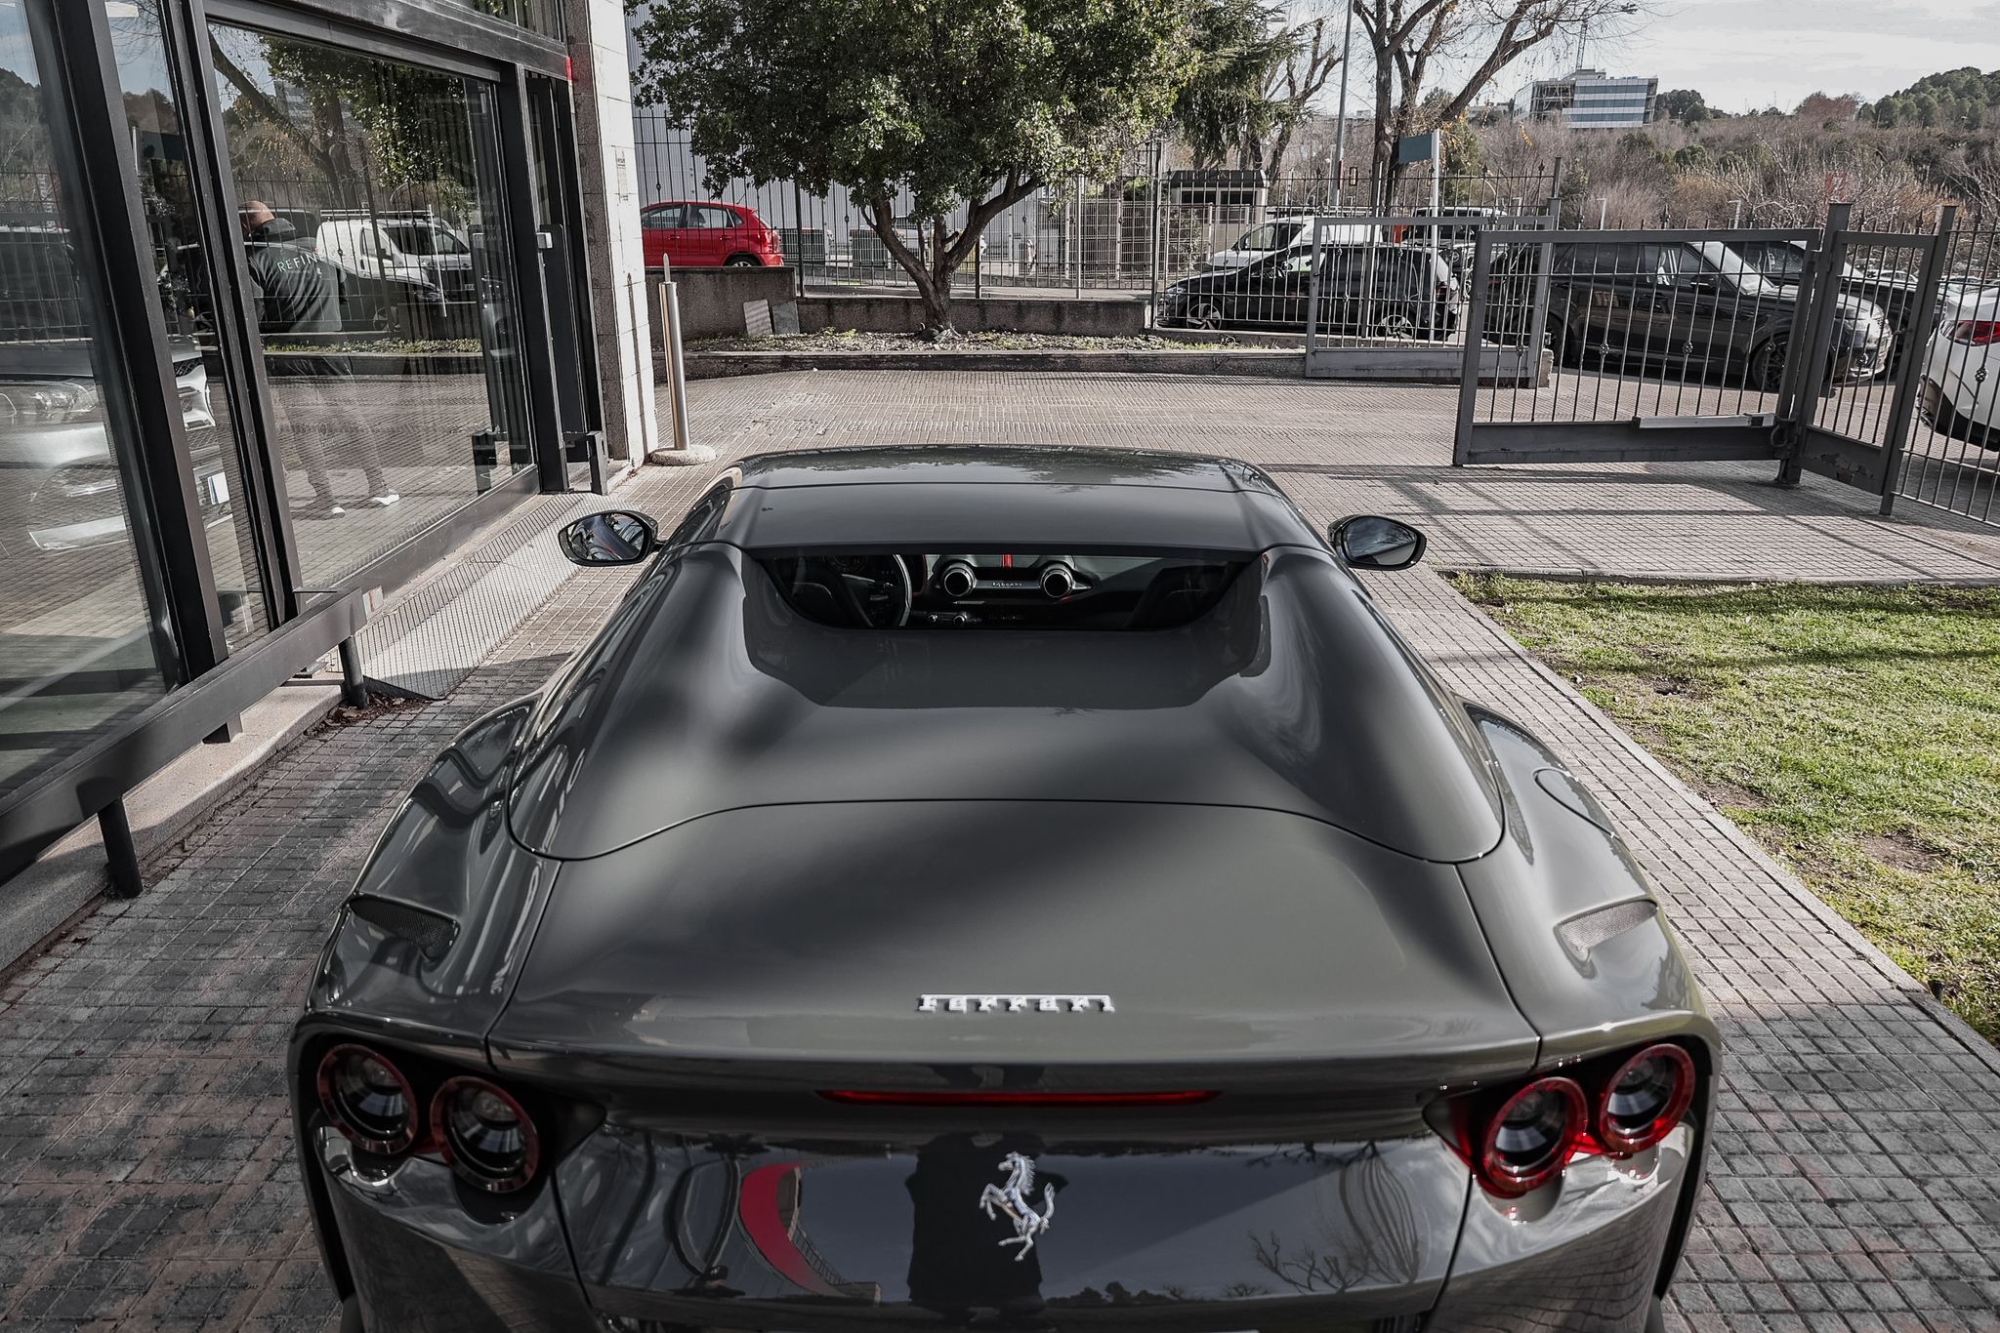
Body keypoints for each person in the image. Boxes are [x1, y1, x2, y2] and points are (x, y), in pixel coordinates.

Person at [239, 200, 397, 518]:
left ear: (246, 227)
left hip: (290, 354)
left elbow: (252, 317)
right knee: (352, 417)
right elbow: (343, 298)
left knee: (305, 427)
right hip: (331, 347)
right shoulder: (321, 250)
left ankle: (327, 498)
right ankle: (379, 487)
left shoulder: (255, 261)